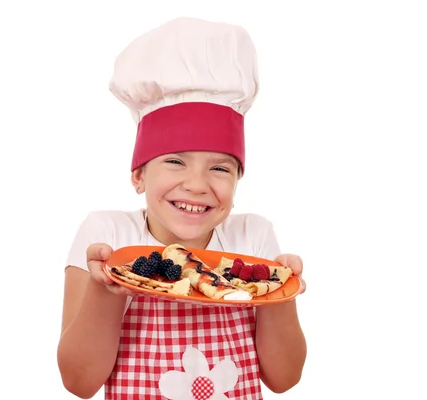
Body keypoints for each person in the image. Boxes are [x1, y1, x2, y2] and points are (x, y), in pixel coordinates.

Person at [57, 17, 307, 400]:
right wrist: (106, 291)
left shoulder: (253, 236)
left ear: (238, 181)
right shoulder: (106, 235)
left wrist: (278, 293)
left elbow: (283, 377)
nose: (196, 184)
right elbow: (80, 382)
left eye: (220, 168)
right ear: (138, 175)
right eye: (175, 161)